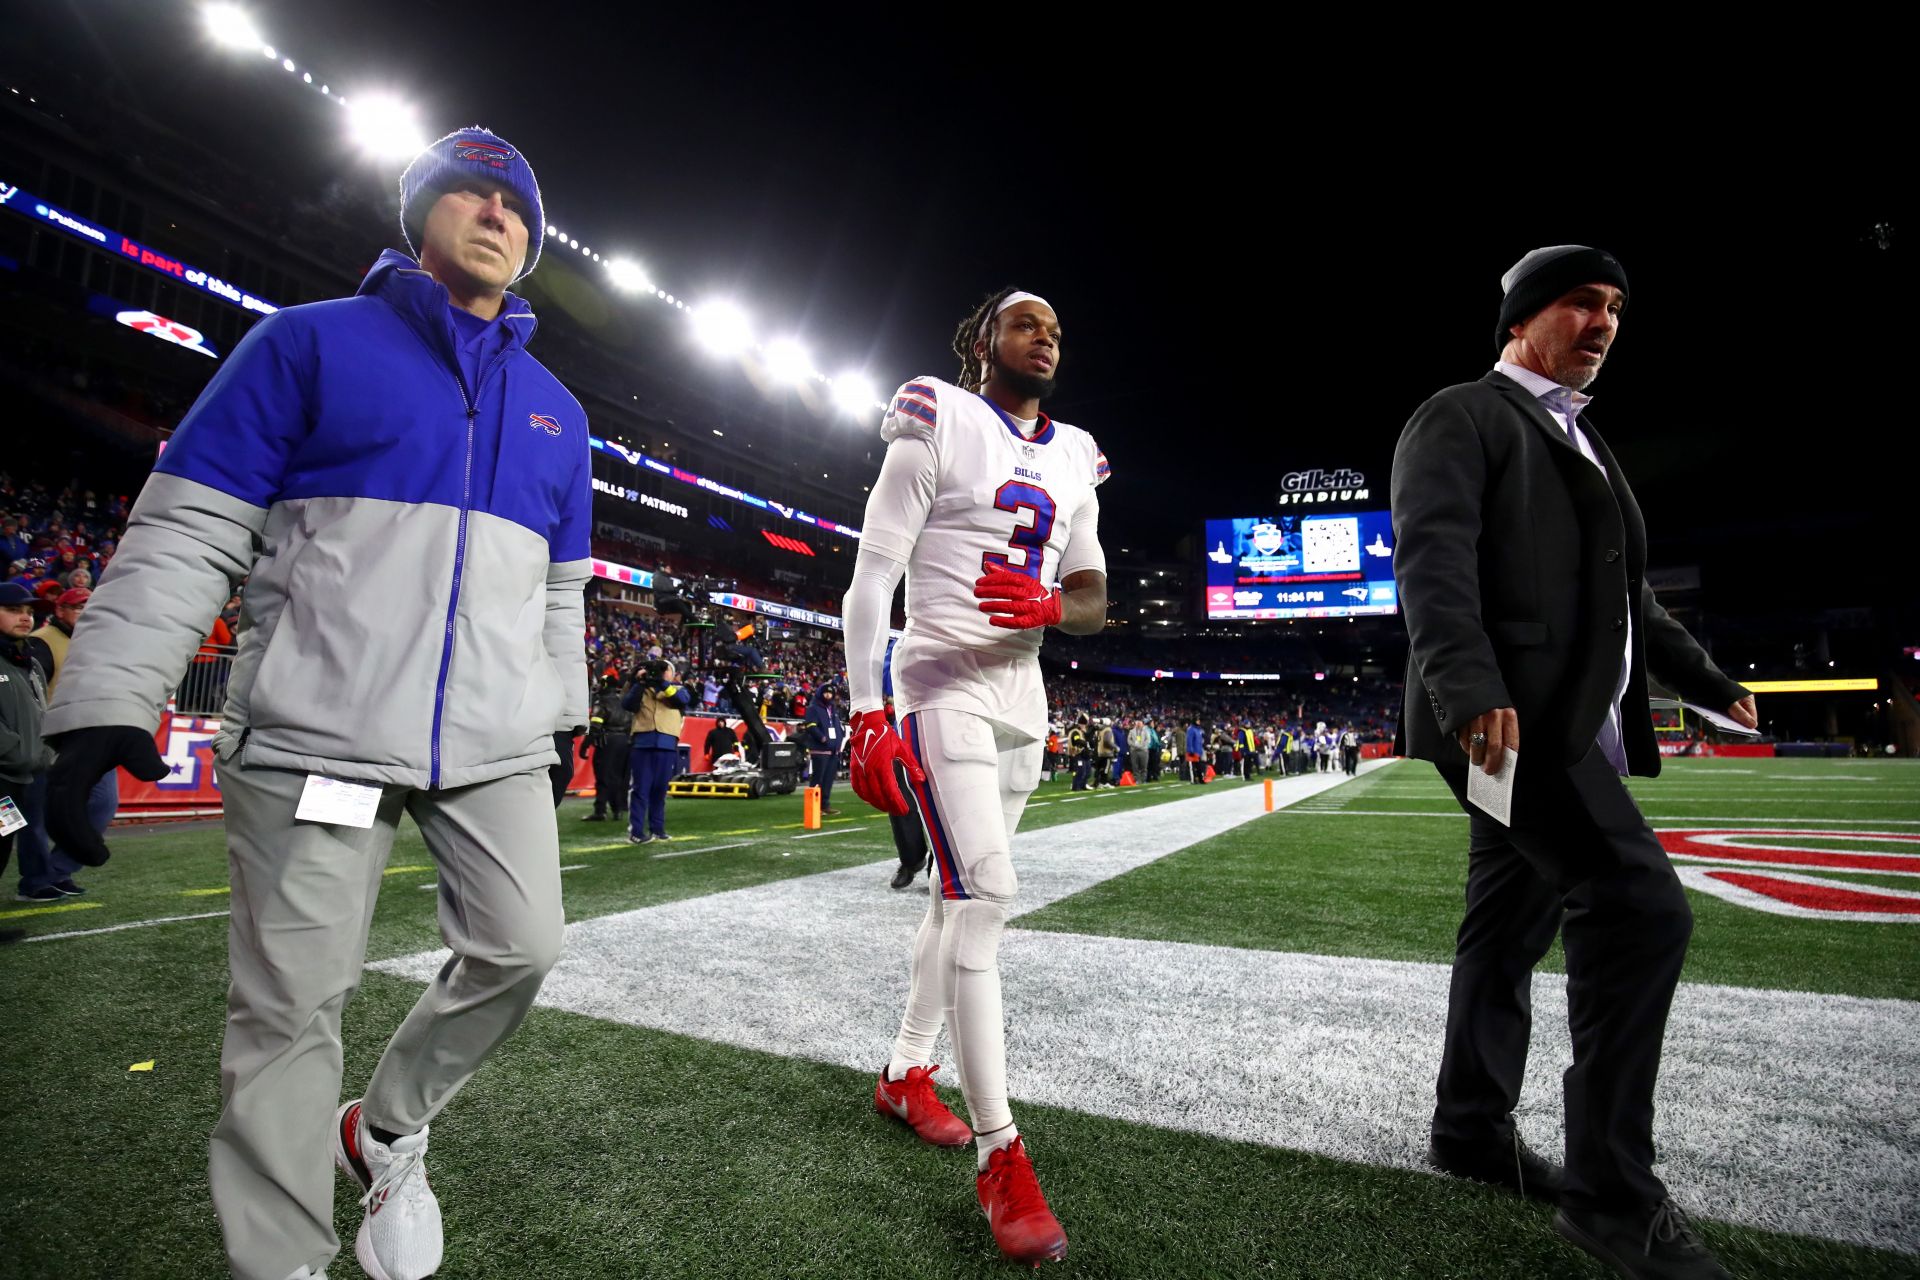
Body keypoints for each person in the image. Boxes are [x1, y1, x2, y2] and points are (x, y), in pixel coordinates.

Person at [42, 126, 588, 1280]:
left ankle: (384, 1126)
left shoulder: (557, 411)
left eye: (518, 204)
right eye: (471, 191)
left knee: (525, 944)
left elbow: (561, 594)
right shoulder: (304, 344)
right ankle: (281, 1262)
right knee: (293, 1009)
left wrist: (563, 708)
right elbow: (188, 526)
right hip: (322, 738)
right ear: (418, 213)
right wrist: (107, 696)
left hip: (491, 744)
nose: (499, 213)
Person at [1392, 245, 1755, 1280]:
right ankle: (1611, 1194)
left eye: (1616, 309)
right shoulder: (1461, 414)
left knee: (1510, 918)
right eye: (1582, 303)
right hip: (1514, 721)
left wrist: (1703, 674)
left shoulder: (1579, 438)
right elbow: (1432, 554)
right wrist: (1469, 688)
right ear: (1522, 318)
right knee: (1640, 905)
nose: (1603, 322)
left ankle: (1468, 1128)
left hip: (1555, 718)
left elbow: (1624, 597)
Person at [842, 287, 1108, 1264]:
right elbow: (874, 570)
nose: (1048, 333)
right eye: (1028, 320)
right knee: (987, 895)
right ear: (984, 339)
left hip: (1021, 693)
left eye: (1057, 325)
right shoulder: (939, 412)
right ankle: (1003, 1152)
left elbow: (1090, 597)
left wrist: (1049, 598)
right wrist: (865, 707)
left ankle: (906, 1070)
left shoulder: (1077, 452)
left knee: (958, 908)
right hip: (941, 676)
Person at [19, 588, 104, 900]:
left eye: (89, 605)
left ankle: (56, 870)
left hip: (92, 734)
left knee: (102, 803)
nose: (85, 610)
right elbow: (30, 695)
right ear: (61, 609)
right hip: (50, 738)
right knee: (30, 813)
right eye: (79, 606)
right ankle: (37, 879)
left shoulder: (99, 638)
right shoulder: (43, 641)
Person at [2, 582, 55, 912]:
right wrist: (17, 749)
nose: (25, 617)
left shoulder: (29, 661)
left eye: (29, 612)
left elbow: (39, 714)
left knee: (3, 844)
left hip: (22, 775)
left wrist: (41, 751)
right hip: (6, 771)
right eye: (13, 610)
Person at [624, 660, 691, 844]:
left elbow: (681, 700)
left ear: (672, 674)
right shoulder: (638, 687)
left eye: (665, 669)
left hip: (667, 743)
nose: (661, 672)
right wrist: (640, 682)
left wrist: (661, 683)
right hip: (643, 742)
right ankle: (636, 832)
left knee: (660, 790)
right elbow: (628, 704)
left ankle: (658, 829)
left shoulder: (678, 688)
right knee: (640, 789)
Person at [583, 674, 635, 823]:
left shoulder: (603, 702)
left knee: (603, 776)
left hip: (607, 742)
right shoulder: (624, 701)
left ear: (604, 685)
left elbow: (595, 726)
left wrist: (585, 745)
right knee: (619, 777)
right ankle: (618, 809)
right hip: (625, 742)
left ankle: (600, 810)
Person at [800, 685, 844, 814]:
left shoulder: (833, 709)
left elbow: (838, 727)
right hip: (820, 749)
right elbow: (811, 726)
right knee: (817, 779)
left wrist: (839, 739)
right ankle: (813, 807)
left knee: (828, 780)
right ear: (821, 693)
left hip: (833, 750)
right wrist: (823, 738)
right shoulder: (813, 708)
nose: (828, 696)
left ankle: (825, 805)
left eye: (830, 694)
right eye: (826, 693)